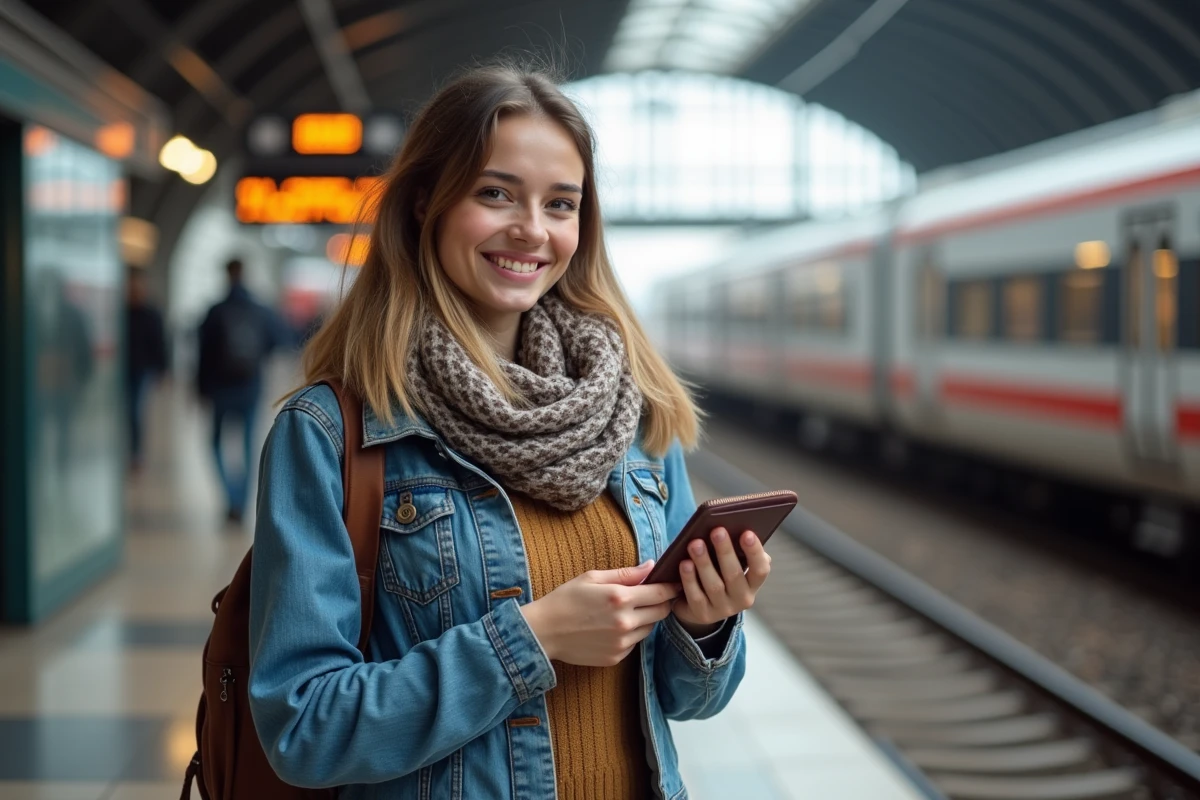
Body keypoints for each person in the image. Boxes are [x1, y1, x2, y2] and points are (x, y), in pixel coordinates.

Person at [248, 61, 773, 799]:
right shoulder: (334, 434)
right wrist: (533, 639)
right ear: (426, 198)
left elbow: (688, 701)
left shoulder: (633, 415)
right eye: (496, 193)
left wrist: (708, 626)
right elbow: (303, 729)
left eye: (561, 204)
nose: (532, 229)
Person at [196, 258, 286, 523]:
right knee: (247, 445)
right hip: (250, 387)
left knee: (215, 443)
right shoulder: (260, 310)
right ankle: (242, 503)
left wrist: (200, 388)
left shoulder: (215, 311)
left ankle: (230, 497)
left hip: (220, 389)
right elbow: (277, 340)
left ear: (226, 274)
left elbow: (203, 354)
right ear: (245, 273)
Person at [125, 269, 168, 472]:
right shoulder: (122, 313)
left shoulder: (151, 314)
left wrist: (162, 369)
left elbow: (160, 343)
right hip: (124, 370)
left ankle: (136, 453)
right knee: (127, 412)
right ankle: (130, 450)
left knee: (136, 411)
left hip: (143, 370)